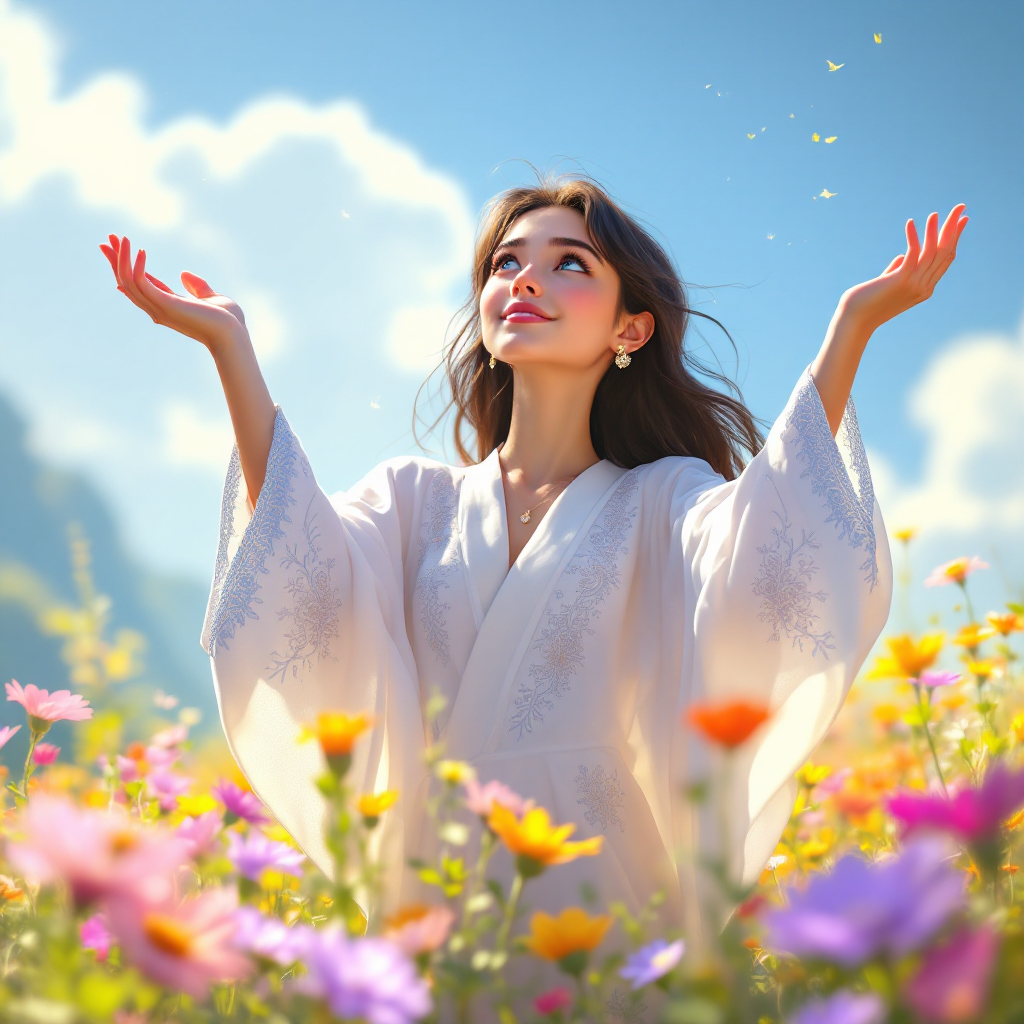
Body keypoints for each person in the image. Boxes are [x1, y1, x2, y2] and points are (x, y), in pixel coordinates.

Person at [99, 177, 966, 947]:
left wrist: (852, 326)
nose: (524, 279)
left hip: (601, 898)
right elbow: (300, 570)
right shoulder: (413, 500)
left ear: (631, 327)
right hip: (434, 904)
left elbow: (766, 551)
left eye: (569, 265)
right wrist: (231, 351)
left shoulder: (664, 498)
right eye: (506, 262)